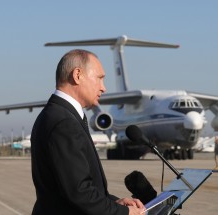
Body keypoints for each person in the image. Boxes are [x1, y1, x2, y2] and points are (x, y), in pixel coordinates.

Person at [30, 49, 145, 215]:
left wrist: (115, 203)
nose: (103, 88)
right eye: (99, 78)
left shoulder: (58, 114)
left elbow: (74, 188)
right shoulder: (64, 122)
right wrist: (124, 213)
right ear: (77, 75)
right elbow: (80, 193)